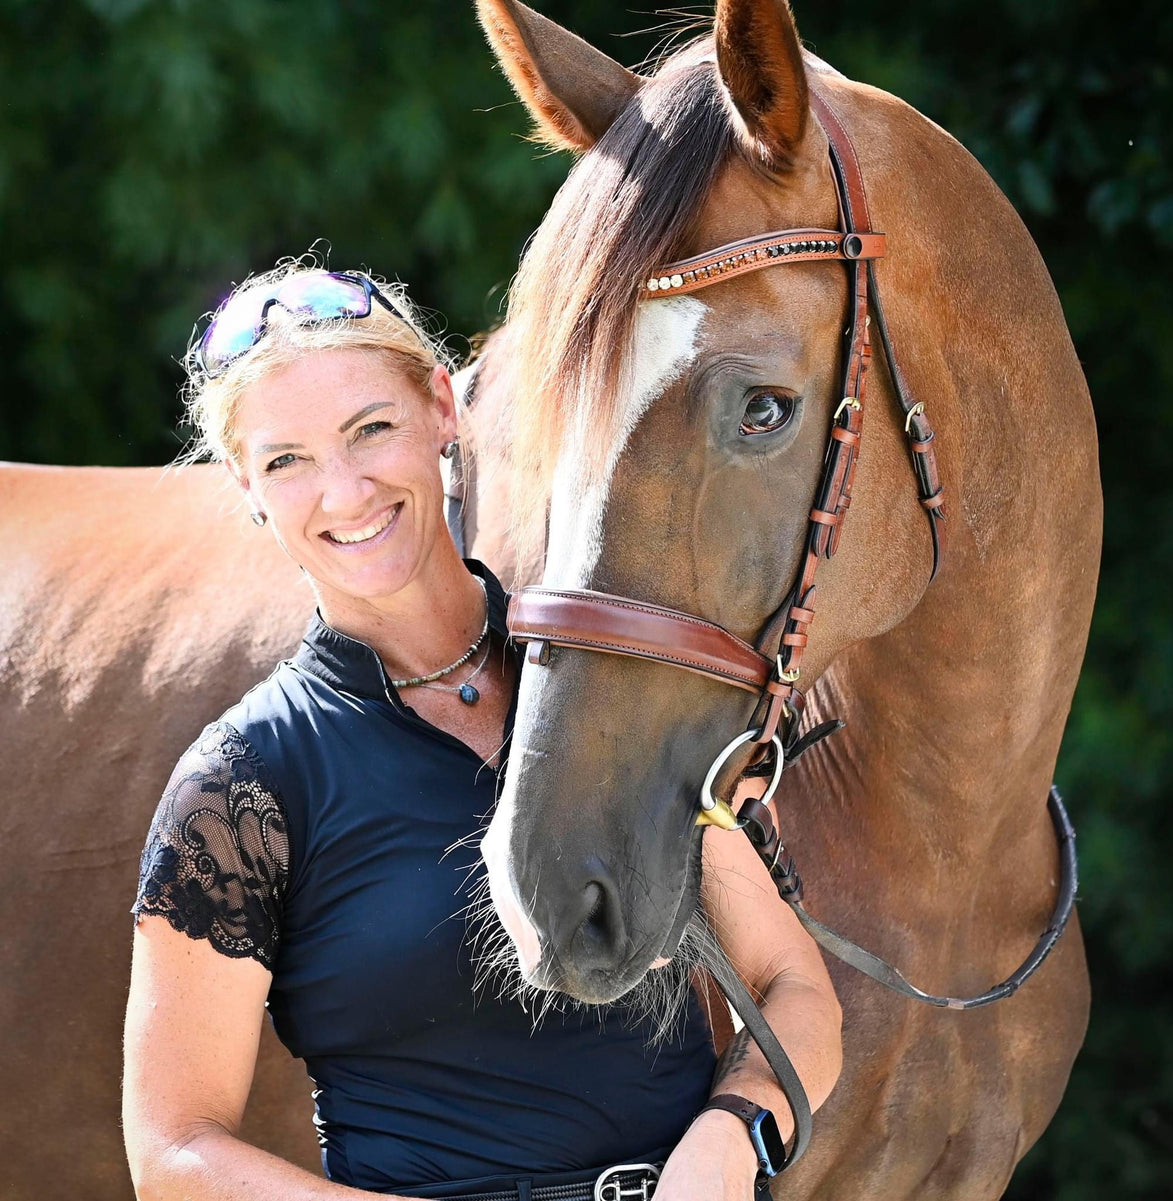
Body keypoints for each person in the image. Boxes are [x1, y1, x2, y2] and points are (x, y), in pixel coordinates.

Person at [121, 264, 843, 1201]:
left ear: (440, 409)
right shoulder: (243, 784)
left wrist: (731, 1132)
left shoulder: (611, 685)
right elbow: (174, 1149)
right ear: (248, 489)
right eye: (286, 461)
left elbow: (796, 985)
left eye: (370, 428)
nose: (344, 492)